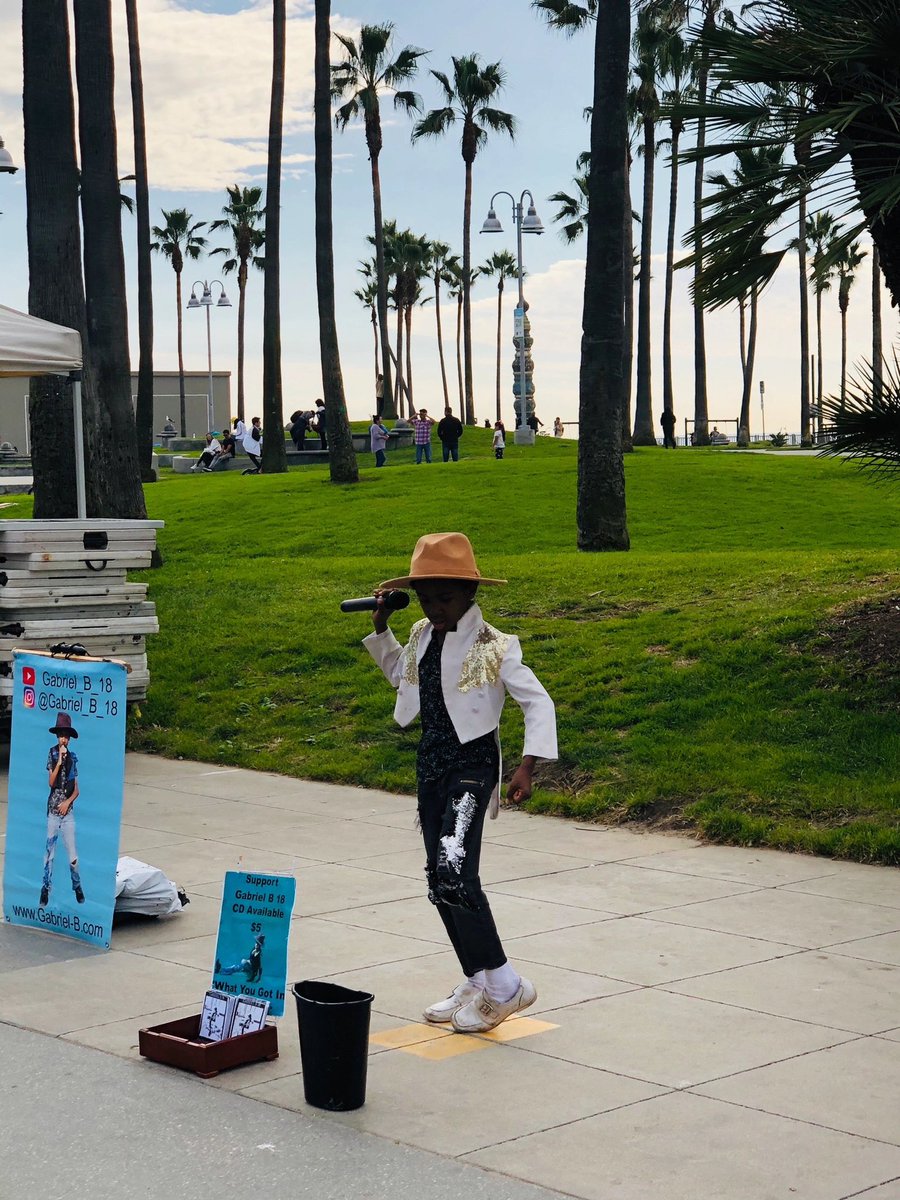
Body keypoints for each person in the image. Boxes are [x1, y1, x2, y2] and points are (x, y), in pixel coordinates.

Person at [361, 532, 557, 1033]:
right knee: (438, 879)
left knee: (454, 871)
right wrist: (382, 629)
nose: (434, 607)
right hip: (432, 764)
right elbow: (405, 680)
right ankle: (478, 977)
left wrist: (527, 765)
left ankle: (508, 985)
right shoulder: (423, 636)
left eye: (445, 598)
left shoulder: (496, 645)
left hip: (472, 766)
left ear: (470, 592)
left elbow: (538, 702)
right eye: (426, 598)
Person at [40, 713, 83, 908]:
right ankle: (45, 889)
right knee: (49, 853)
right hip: (52, 812)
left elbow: (77, 790)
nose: (63, 739)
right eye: (61, 735)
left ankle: (77, 886)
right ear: (57, 737)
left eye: (66, 736)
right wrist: (58, 762)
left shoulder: (73, 758)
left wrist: (68, 802)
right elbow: (51, 782)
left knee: (72, 855)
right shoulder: (51, 754)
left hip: (67, 814)